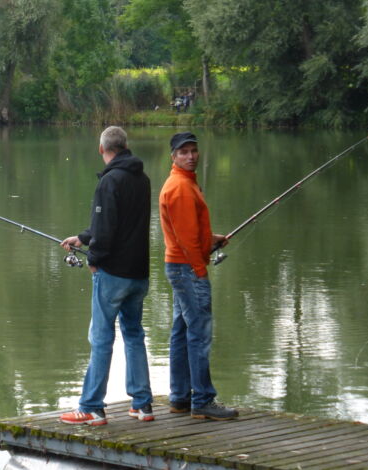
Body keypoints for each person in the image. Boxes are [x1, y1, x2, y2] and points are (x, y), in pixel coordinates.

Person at [59, 126, 154, 426]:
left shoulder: (109, 181)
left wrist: (94, 261)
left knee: (100, 339)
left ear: (102, 149)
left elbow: (107, 229)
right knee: (134, 334)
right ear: (125, 146)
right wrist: (82, 238)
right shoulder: (143, 179)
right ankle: (143, 405)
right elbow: (118, 223)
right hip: (138, 274)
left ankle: (91, 407)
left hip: (112, 274)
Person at [158, 131, 239, 421]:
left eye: (194, 150)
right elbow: (185, 239)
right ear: (174, 156)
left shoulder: (185, 183)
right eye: (184, 152)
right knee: (199, 334)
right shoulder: (180, 187)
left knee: (181, 333)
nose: (191, 156)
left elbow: (190, 233)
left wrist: (210, 239)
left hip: (181, 266)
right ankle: (202, 400)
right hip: (187, 268)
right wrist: (200, 269)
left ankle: (180, 398)